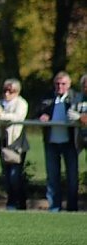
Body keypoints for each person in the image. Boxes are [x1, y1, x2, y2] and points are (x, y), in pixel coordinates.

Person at [36, 71, 79, 212]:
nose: (60, 86)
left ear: (69, 85)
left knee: (72, 177)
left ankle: (72, 207)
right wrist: (42, 115)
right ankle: (54, 206)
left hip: (70, 143)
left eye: (63, 84)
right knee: (52, 177)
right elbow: (38, 112)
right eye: (57, 84)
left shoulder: (75, 99)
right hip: (51, 142)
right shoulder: (48, 98)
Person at [0, 79, 29, 210]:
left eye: (11, 90)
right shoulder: (0, 103)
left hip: (16, 144)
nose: (7, 93)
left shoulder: (21, 103)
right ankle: (11, 202)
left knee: (14, 176)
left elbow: (17, 117)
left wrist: (0, 115)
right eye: (5, 90)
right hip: (2, 142)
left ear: (17, 91)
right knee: (7, 175)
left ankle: (18, 203)